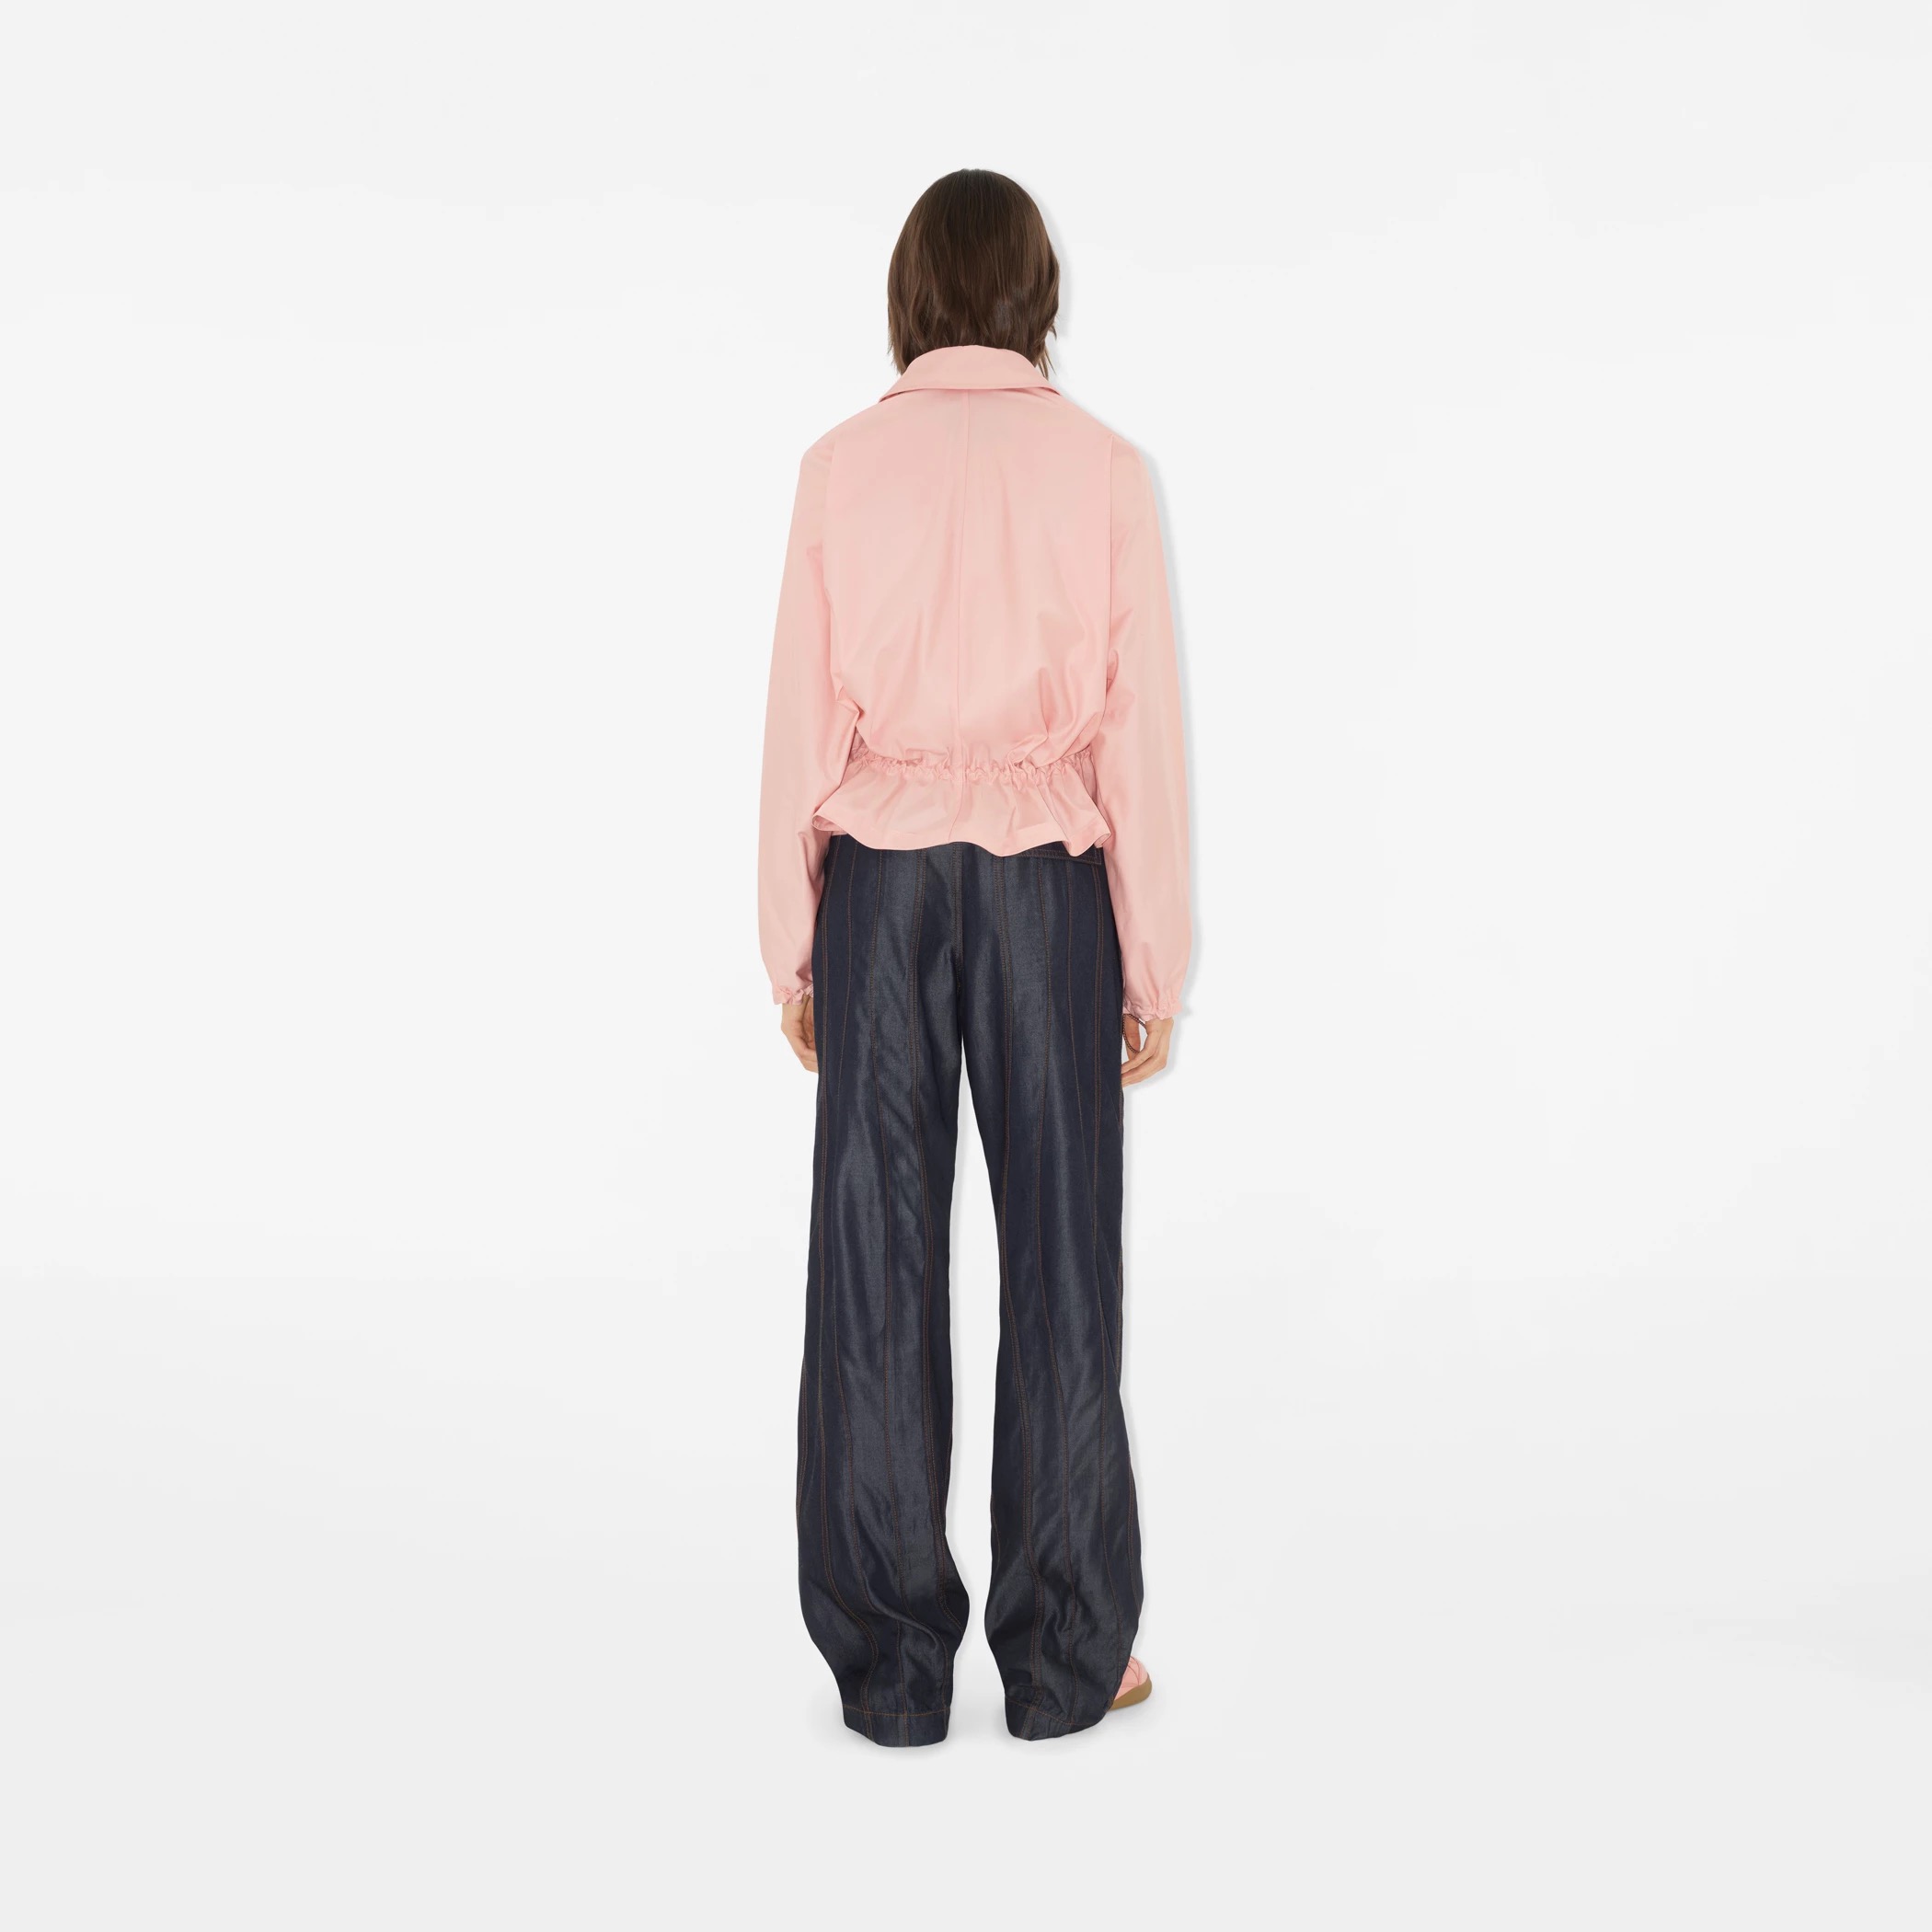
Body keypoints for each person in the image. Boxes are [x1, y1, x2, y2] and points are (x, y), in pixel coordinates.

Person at [757, 168, 1190, 1745]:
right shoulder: (1106, 471)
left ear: (912, 295)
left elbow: (800, 714)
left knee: (875, 1264)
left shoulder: (838, 468)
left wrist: (792, 943)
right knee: (1064, 1260)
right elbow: (1140, 734)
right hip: (1045, 894)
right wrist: (1152, 959)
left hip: (879, 888)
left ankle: (891, 1671)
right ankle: (1068, 1658)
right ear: (1034, 296)